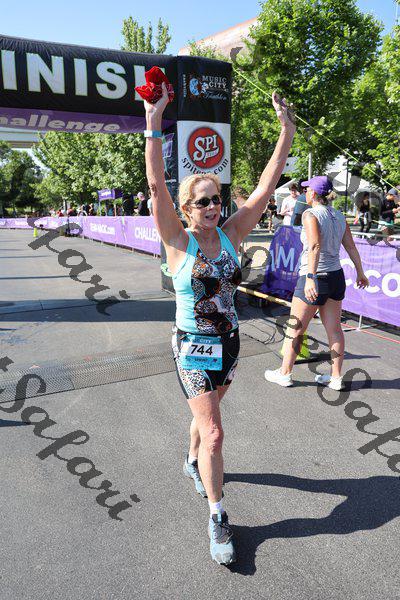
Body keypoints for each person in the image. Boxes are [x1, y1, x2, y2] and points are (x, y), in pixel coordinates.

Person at [143, 82, 295, 565]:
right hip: (192, 347)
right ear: (187, 209)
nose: (213, 207)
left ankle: (192, 460)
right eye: (203, 202)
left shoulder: (230, 234)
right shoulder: (177, 241)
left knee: (203, 420)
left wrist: (286, 131)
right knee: (214, 432)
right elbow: (156, 186)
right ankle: (217, 515)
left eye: (217, 199)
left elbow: (266, 187)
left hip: (228, 345)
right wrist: (153, 122)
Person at [265, 175, 369, 391]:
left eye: (307, 190)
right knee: (335, 330)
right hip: (335, 277)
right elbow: (351, 247)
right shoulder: (339, 215)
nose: (305, 193)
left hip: (315, 276)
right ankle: (336, 378)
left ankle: (285, 374)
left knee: (296, 328)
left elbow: (314, 246)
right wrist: (360, 272)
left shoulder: (310, 214)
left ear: (313, 193)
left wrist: (311, 278)